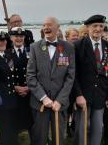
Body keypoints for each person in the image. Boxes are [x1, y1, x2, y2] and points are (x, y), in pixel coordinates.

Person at [27, 17, 75, 145]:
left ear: (57, 27)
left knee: (59, 139)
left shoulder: (68, 47)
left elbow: (70, 77)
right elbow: (30, 76)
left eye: (49, 24)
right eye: (44, 25)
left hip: (60, 104)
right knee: (39, 139)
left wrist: (60, 100)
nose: (46, 27)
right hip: (40, 104)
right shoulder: (34, 47)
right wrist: (44, 98)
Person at [73, 14, 108, 145]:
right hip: (83, 96)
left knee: (97, 129)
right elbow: (73, 74)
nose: (98, 29)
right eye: (95, 26)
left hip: (101, 95)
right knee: (82, 130)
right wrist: (78, 95)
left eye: (101, 26)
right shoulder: (78, 46)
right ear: (87, 27)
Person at [5, 27, 33, 136]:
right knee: (15, 124)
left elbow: (38, 72)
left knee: (31, 123)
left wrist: (29, 87)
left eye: (21, 36)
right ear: (11, 38)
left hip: (30, 93)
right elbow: (5, 75)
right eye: (16, 36)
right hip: (14, 93)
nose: (19, 38)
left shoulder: (32, 51)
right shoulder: (6, 53)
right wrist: (15, 87)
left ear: (25, 37)